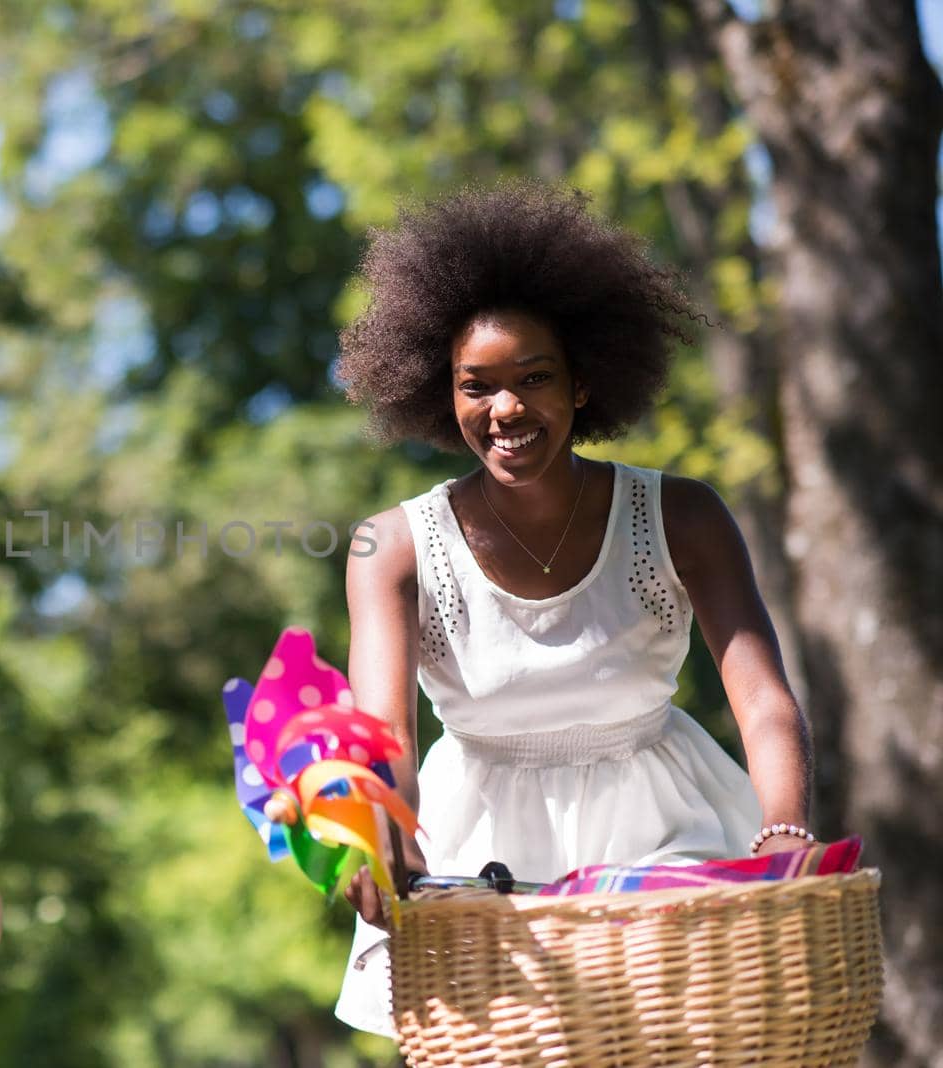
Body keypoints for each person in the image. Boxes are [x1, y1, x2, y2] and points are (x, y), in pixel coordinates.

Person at [329, 181, 814, 1037]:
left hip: (667, 829)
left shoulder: (682, 515)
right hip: (478, 847)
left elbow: (764, 700)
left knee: (680, 1042)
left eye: (534, 378)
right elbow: (387, 735)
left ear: (583, 383)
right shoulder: (392, 547)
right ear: (442, 394)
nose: (505, 407)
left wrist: (784, 829)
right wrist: (380, 835)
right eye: (476, 385)